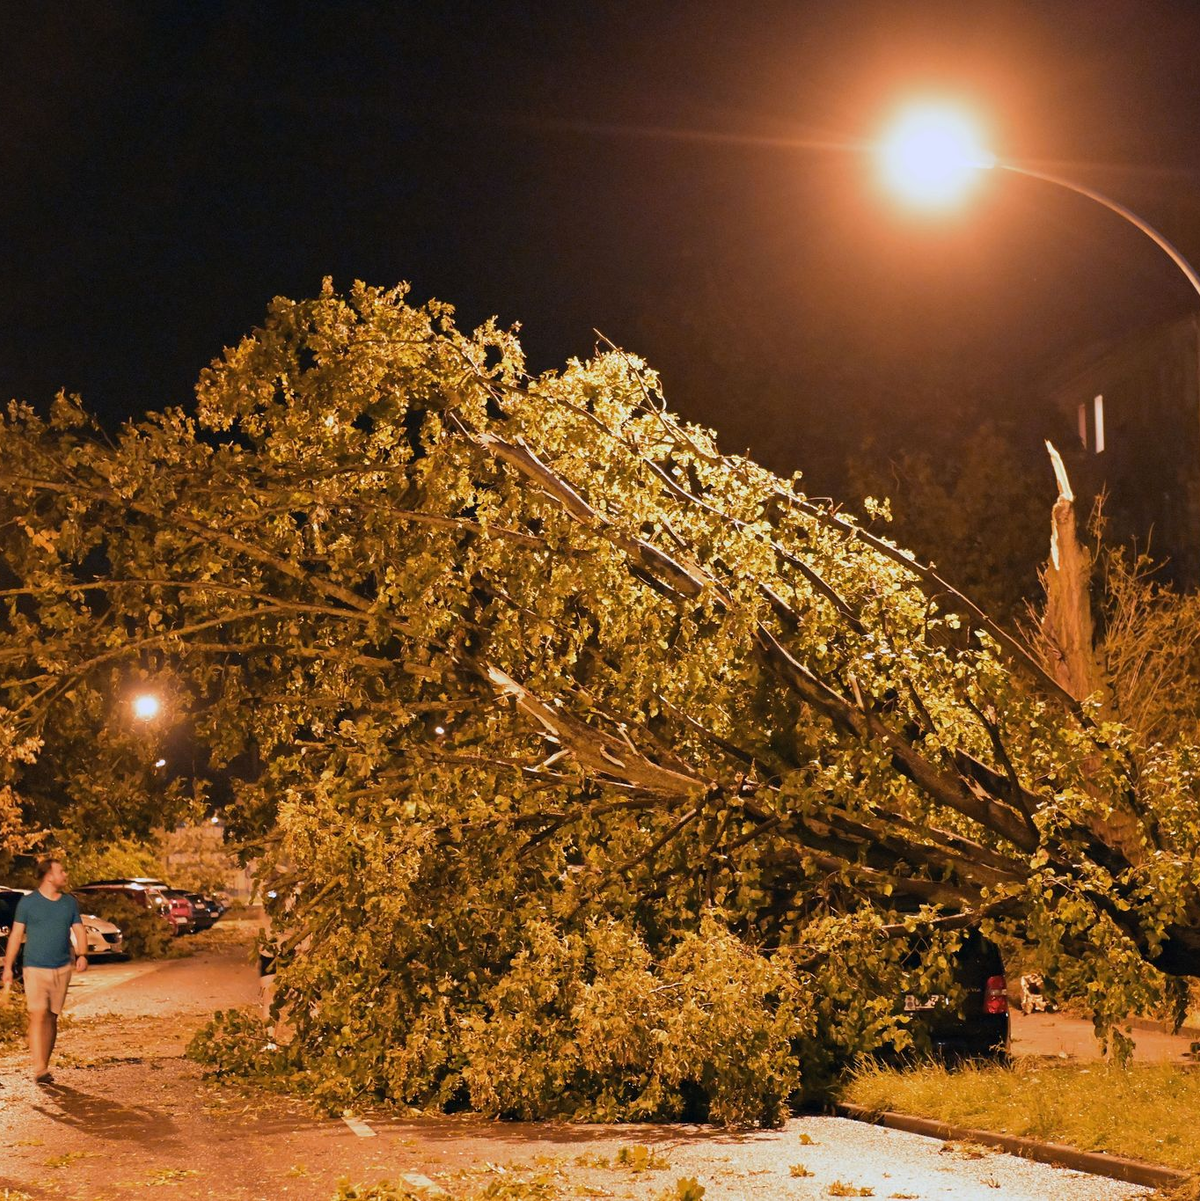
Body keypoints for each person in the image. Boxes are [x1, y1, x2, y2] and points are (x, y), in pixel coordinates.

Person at [0, 857, 88, 1083]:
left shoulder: (68, 903)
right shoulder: (28, 903)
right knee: (38, 1013)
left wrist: (82, 954)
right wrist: (8, 967)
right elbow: (16, 936)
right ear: (49, 875)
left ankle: (44, 1065)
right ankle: (39, 1068)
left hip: (61, 967)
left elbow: (79, 930)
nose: (65, 875)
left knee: (51, 1017)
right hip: (34, 967)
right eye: (61, 871)